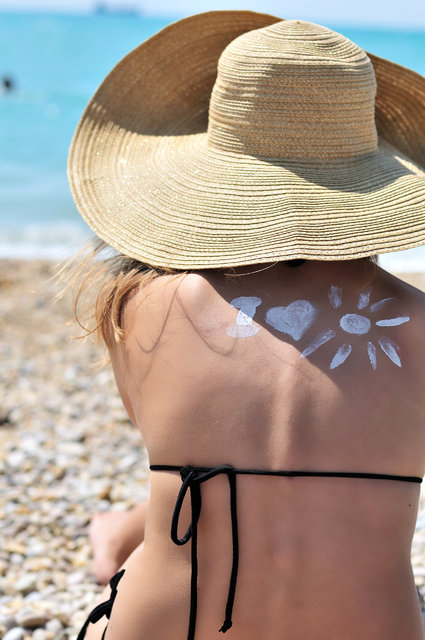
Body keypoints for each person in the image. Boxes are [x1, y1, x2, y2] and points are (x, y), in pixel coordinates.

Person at [67, 11, 425, 640]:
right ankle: (118, 531)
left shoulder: (141, 306)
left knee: (200, 476)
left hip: (169, 630)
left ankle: (116, 535)